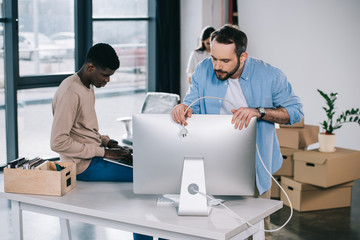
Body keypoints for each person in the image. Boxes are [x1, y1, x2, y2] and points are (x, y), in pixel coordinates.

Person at [172, 24, 303, 238]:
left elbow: (295, 113)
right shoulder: (203, 69)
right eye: (214, 58)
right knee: (213, 226)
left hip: (255, 162)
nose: (217, 66)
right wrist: (182, 108)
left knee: (257, 228)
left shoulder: (270, 75)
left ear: (243, 57)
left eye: (225, 61)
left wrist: (258, 112)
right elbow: (191, 104)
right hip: (213, 160)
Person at [50, 43, 133, 181]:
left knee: (141, 165)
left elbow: (83, 130)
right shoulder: (70, 92)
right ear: (90, 67)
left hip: (94, 157)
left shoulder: (88, 85)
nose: (107, 80)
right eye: (105, 75)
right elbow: (57, 142)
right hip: (82, 166)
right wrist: (104, 152)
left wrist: (108, 143)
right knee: (143, 175)